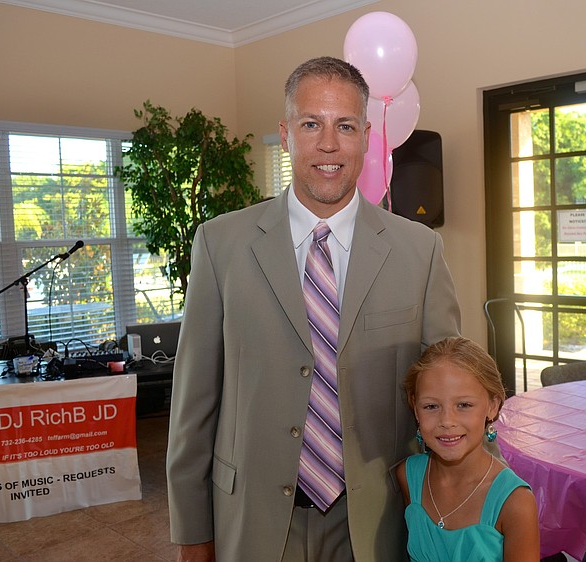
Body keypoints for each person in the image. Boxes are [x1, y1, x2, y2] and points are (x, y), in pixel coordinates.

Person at [165, 56, 461, 562]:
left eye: (345, 126)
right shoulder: (221, 244)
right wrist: (193, 533)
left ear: (367, 136)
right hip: (252, 518)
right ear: (285, 134)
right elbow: (194, 403)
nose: (328, 144)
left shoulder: (420, 252)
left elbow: (447, 396)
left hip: (376, 523)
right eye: (311, 124)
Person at [395, 337, 539, 562]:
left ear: (492, 406)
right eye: (431, 406)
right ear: (416, 409)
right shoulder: (409, 476)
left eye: (464, 405)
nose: (447, 421)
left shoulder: (515, 502)